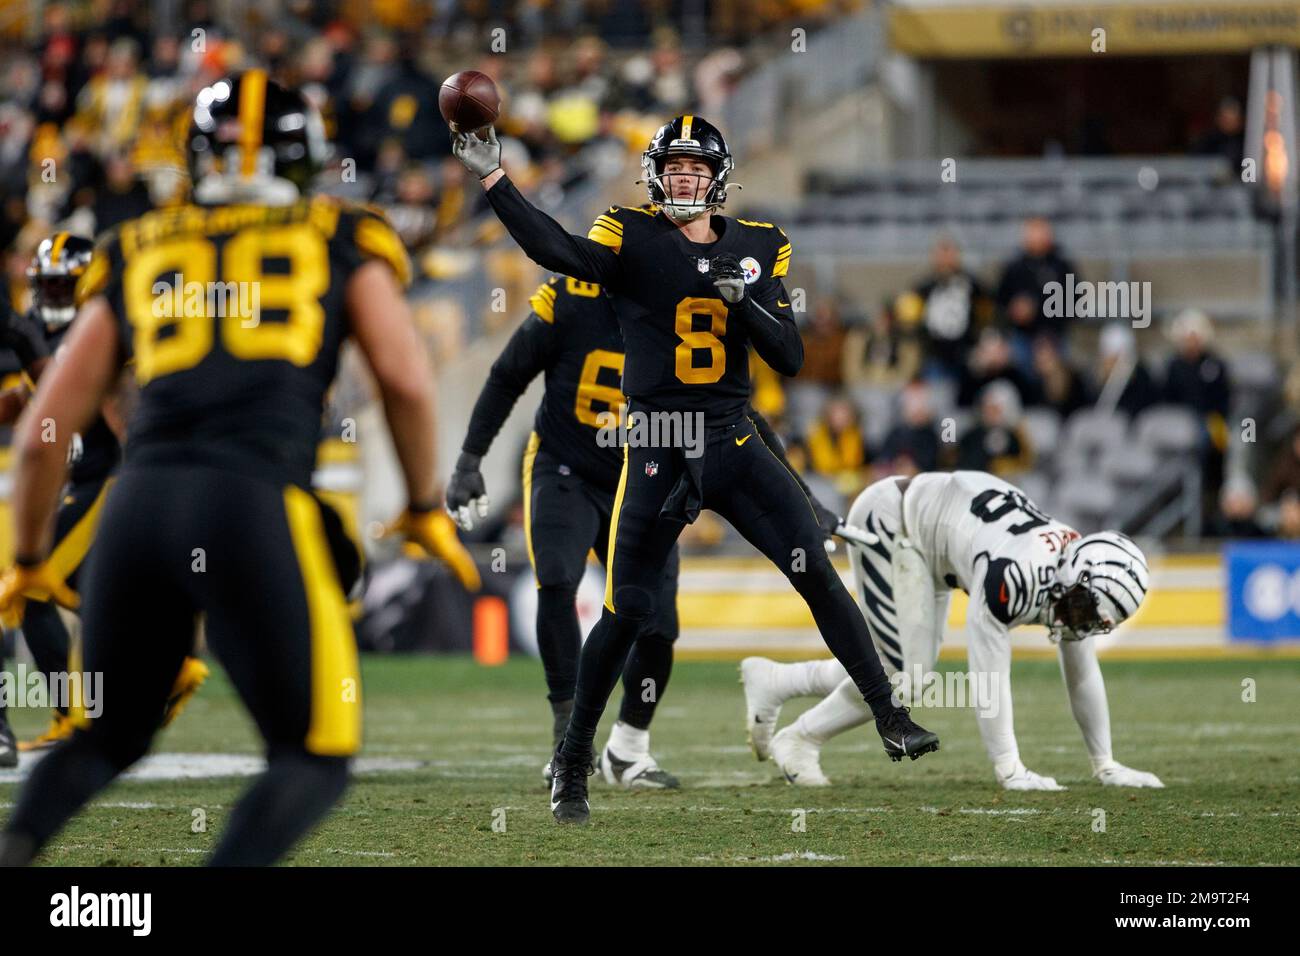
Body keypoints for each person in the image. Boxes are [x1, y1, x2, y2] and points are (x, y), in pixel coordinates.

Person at [0, 71, 476, 867]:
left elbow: (45, 433)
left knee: (104, 738)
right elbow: (404, 377)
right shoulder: (338, 234)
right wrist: (426, 502)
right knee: (312, 754)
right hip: (254, 503)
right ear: (308, 159)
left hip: (137, 509)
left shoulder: (139, 243)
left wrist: (24, 559)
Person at [453, 115, 939, 824]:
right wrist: (496, 179)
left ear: (718, 177)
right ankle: (572, 758)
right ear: (657, 175)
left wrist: (745, 305)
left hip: (732, 439)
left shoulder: (757, 248)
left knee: (815, 572)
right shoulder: (629, 235)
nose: (684, 178)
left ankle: (888, 714)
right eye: (673, 167)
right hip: (654, 442)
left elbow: (790, 358)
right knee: (628, 610)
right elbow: (553, 247)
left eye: (695, 168)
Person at [447, 270, 835, 789]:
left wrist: (805, 497)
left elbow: (739, 412)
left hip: (644, 477)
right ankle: (567, 737)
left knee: (656, 624)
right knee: (558, 580)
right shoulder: (570, 300)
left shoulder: (680, 306)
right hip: (565, 467)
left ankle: (627, 749)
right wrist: (470, 459)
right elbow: (507, 373)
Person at [741, 470, 1163, 791]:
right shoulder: (1015, 576)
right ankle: (800, 738)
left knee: (900, 668)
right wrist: (1009, 768)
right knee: (908, 674)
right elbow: (988, 676)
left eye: (1093, 620)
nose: (1079, 623)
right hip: (896, 521)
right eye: (1082, 610)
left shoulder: (1073, 583)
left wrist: (1105, 763)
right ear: (1073, 573)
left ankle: (777, 682)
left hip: (938, 545)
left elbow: (1083, 672)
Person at [0, 232, 209, 754]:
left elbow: (124, 411)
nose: (52, 298)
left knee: (27, 588)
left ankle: (73, 716)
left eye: (62, 287)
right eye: (45, 287)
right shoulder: (54, 338)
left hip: (107, 481)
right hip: (87, 484)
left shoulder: (102, 330)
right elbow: (25, 404)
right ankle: (169, 668)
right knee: (86, 595)